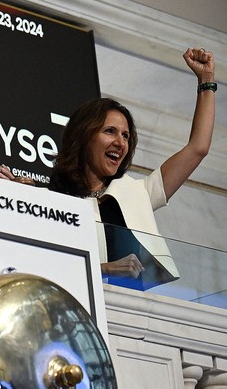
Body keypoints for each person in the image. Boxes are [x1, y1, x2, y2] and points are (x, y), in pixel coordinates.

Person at [18, 48, 215, 290]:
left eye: (126, 135)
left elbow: (198, 147)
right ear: (83, 137)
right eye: (109, 131)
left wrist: (206, 82)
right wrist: (103, 269)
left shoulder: (138, 193)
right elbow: (35, 266)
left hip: (130, 316)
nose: (120, 143)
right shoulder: (52, 201)